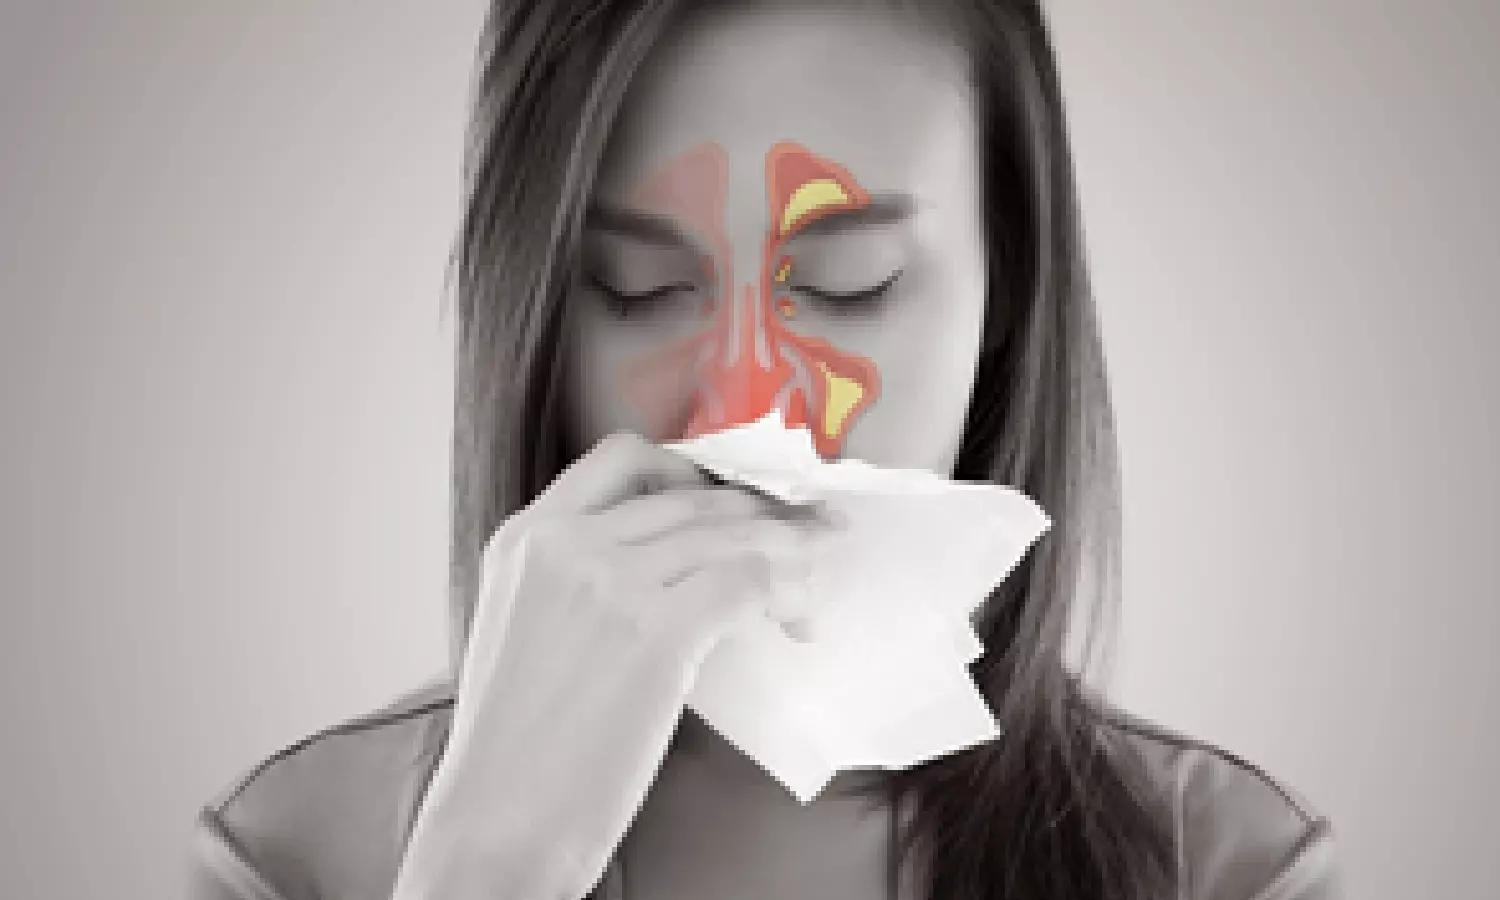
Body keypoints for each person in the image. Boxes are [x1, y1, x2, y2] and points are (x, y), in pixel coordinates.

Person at [191, 1, 1342, 898]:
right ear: (535, 314)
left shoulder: (1224, 867)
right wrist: (487, 865)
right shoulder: (296, 857)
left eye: (850, 286)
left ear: (1008, 288)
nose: (748, 412)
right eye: (640, 288)